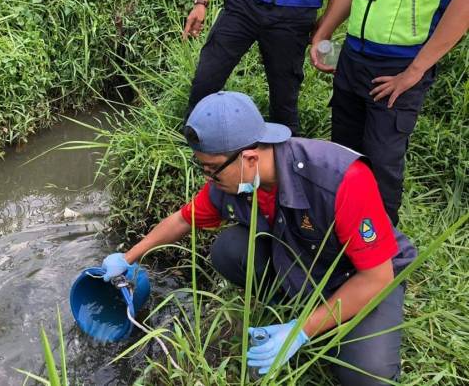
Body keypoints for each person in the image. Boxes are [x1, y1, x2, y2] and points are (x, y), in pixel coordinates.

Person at [101, 91, 417, 385]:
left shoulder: (341, 179)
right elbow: (184, 219)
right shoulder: (237, 181)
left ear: (250, 158)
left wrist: (301, 331)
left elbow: (377, 275)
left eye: (212, 169)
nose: (207, 179)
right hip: (303, 261)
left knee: (367, 374)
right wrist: (128, 258)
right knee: (229, 250)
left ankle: (308, 325)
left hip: (362, 274)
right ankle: (291, 311)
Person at [310, 0, 469, 225]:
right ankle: (340, 235)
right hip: (353, 56)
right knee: (344, 155)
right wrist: (325, 30)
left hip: (398, 67)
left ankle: (382, 256)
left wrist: (415, 71)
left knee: (381, 165)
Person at [182, 0, 357, 135]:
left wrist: (329, 19)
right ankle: (194, 143)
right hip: (247, 1)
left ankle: (283, 158)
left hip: (295, 13)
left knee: (284, 103)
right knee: (206, 79)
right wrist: (202, 1)